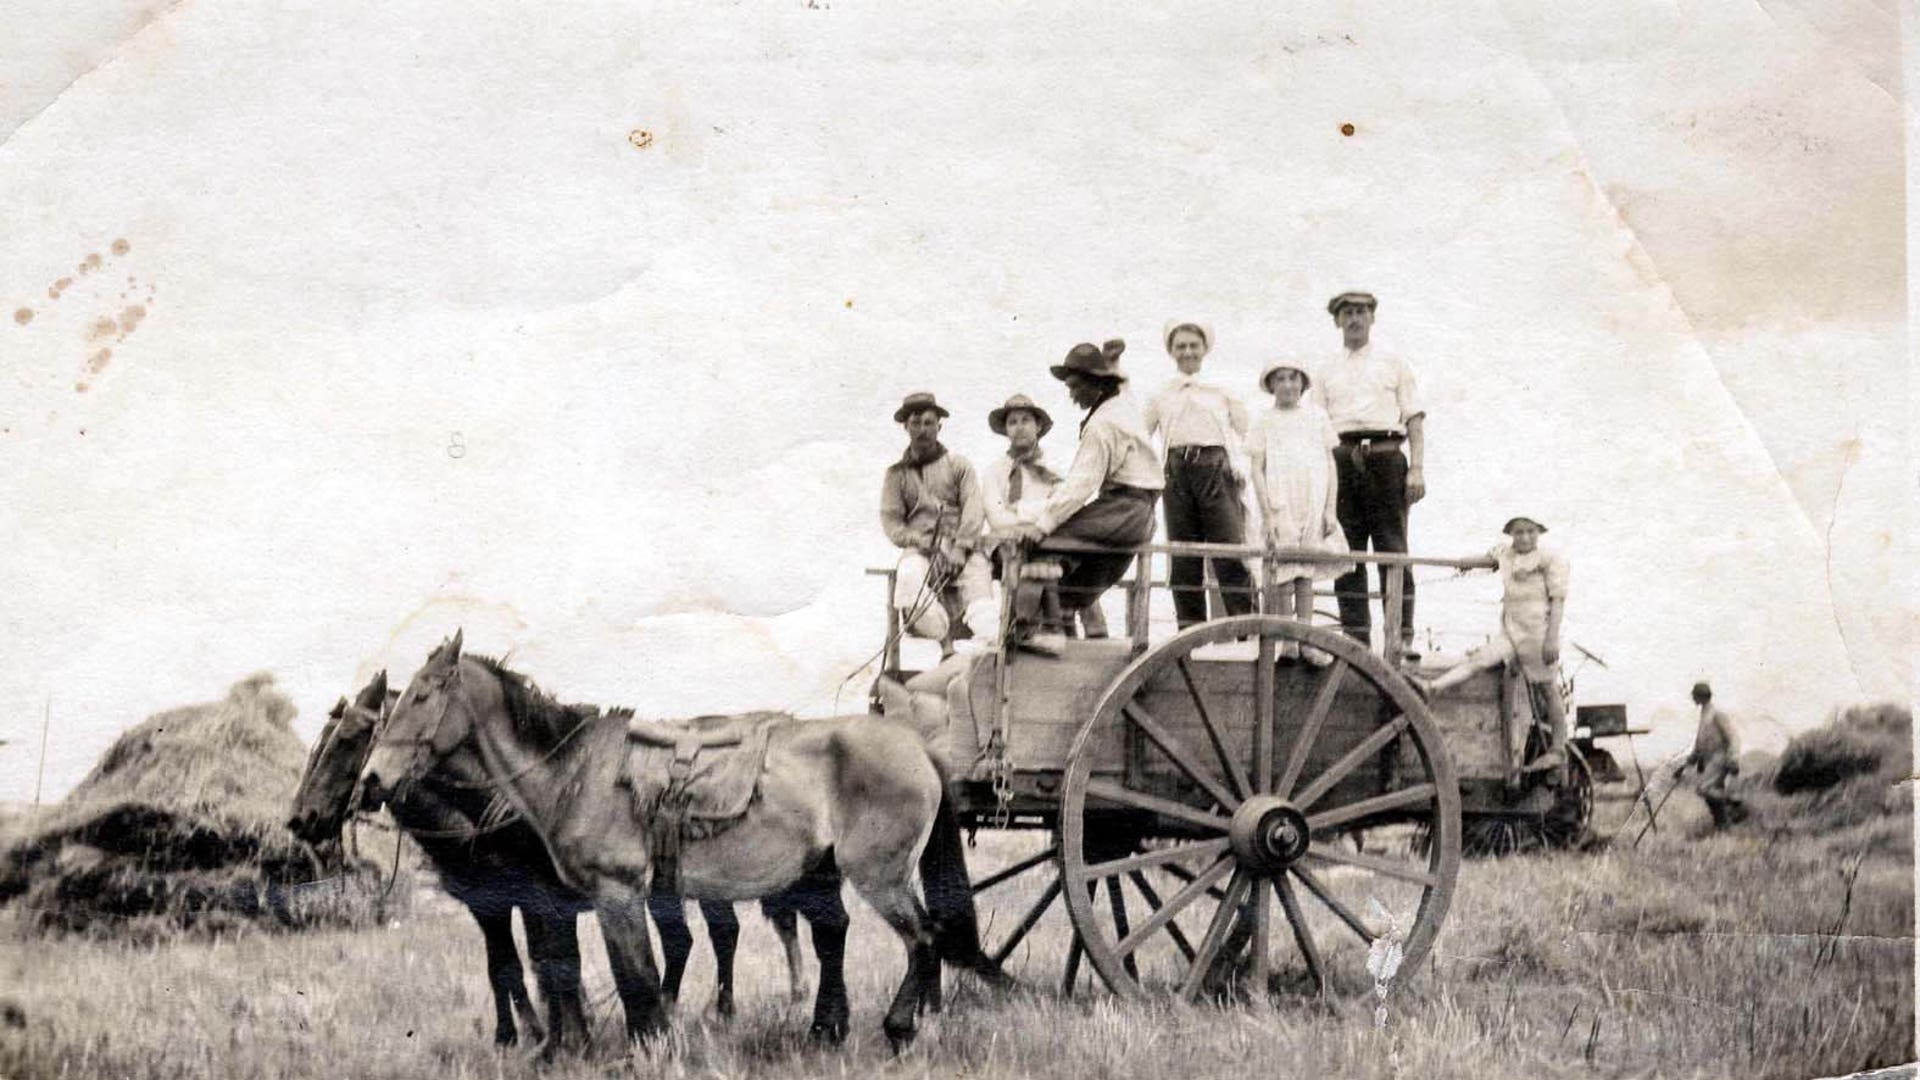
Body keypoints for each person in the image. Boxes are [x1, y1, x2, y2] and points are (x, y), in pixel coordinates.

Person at [1008, 340, 1163, 647]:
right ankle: (1058, 626)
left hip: (1124, 509)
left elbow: (1081, 484)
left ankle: (1037, 630)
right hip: (1139, 514)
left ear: (1096, 384)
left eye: (1077, 387)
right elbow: (1123, 383)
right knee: (1076, 575)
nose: (1072, 395)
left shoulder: (1102, 425)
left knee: (1042, 544)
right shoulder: (1122, 403)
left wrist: (1042, 525)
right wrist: (1113, 362)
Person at [1312, 291, 1425, 660]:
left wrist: (1418, 469)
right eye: (1347, 313)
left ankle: (1401, 636)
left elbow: (1414, 418)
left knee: (1393, 548)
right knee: (1347, 550)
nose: (1355, 319)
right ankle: (1356, 640)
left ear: (1372, 318)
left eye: (1361, 312)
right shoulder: (1326, 368)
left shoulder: (1394, 362)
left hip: (1386, 456)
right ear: (1337, 321)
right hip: (1342, 458)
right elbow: (1315, 425)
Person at [1419, 516, 1569, 772]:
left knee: (1547, 688)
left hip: (1538, 633)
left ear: (1538, 533)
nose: (1524, 538)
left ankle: (1558, 748)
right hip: (1512, 630)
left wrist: (1552, 639)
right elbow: (1485, 560)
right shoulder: (1506, 554)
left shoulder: (1550, 559)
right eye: (1519, 532)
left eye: (1530, 532)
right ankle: (1431, 687)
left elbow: (1557, 601)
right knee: (1479, 660)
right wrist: (1461, 565)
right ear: (1511, 534)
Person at [1144, 321, 1255, 629]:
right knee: (1183, 557)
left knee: (1228, 551)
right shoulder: (1162, 392)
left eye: (1194, 345)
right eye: (1181, 346)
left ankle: (1247, 629)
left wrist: (1240, 467)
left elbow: (1248, 434)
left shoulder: (1222, 388)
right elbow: (1142, 434)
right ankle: (1189, 632)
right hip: (1176, 472)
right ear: (1171, 351)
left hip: (1216, 469)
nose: (1188, 352)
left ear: (1205, 349)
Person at [981, 393, 1108, 639]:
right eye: (1012, 422)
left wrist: (1021, 511)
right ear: (1006, 430)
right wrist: (1039, 513)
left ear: (1038, 426)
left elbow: (1066, 504)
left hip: (1049, 537)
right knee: (1024, 563)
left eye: (1025, 420)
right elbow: (996, 517)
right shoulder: (995, 471)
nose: (1019, 427)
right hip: (1010, 544)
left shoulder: (1056, 466)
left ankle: (1094, 633)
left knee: (1075, 562)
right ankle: (1023, 632)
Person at [1245, 361, 1349, 663]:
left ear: (1302, 383)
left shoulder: (1316, 417)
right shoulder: (1264, 420)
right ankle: (1287, 642)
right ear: (1271, 384)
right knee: (1283, 573)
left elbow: (1330, 464)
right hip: (1280, 502)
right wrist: (1267, 513)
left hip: (1312, 501)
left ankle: (1307, 642)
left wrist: (1330, 509)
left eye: (1293, 379)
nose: (1288, 385)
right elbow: (1257, 468)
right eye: (1281, 379)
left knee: (1306, 572)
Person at [879, 392, 993, 658]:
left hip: (962, 550)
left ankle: (986, 658)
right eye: (916, 423)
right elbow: (892, 522)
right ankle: (945, 641)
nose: (922, 430)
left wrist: (960, 548)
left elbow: (974, 509)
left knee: (983, 607)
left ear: (939, 427)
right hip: (921, 551)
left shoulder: (958, 465)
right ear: (906, 427)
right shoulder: (896, 475)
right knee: (907, 578)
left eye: (929, 423)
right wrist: (923, 542)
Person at [1679, 681, 1745, 827]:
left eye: (1695, 696)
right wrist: (1690, 760)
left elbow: (1733, 737)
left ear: (1701, 696)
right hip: (1708, 760)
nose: (1693, 699)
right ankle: (1724, 820)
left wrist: (1733, 758)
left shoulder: (1717, 714)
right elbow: (1700, 742)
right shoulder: (1704, 714)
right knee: (1711, 791)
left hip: (1720, 758)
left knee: (1705, 789)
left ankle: (1732, 810)